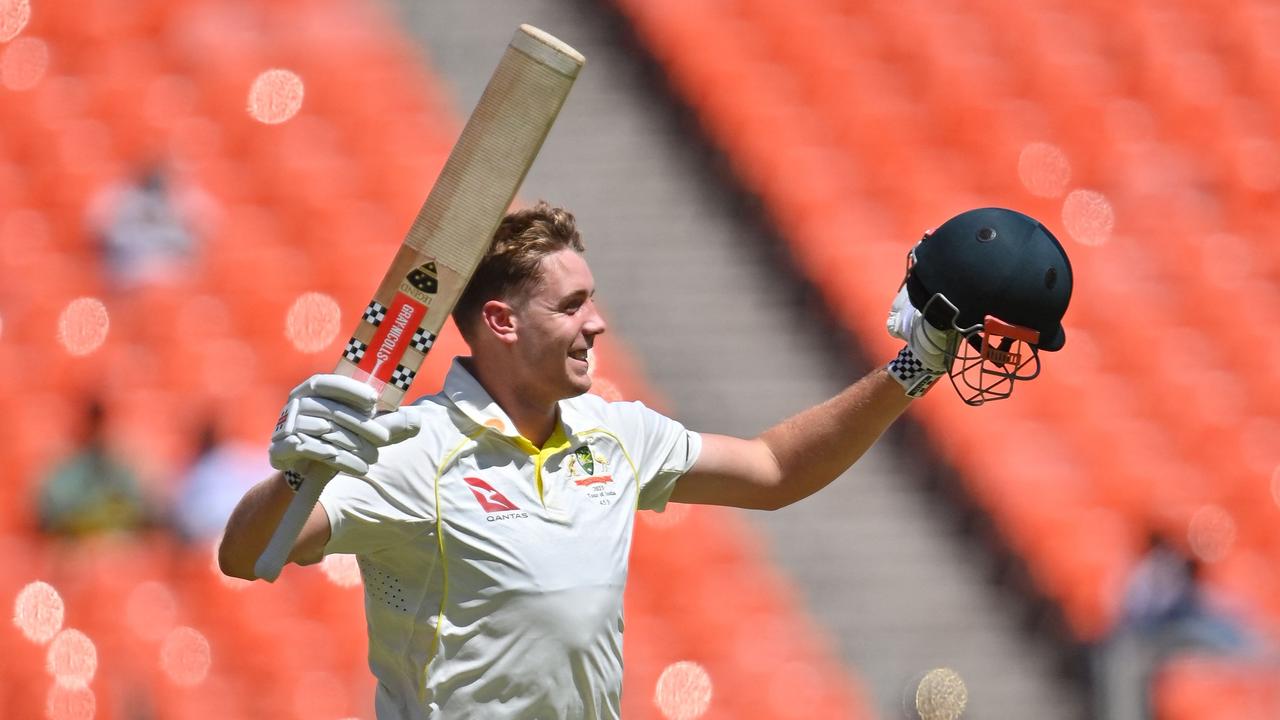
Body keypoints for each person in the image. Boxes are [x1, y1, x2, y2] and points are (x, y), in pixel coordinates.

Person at [219, 203, 1072, 718]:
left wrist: (912, 370)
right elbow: (248, 554)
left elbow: (776, 472)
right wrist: (303, 472)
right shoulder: (413, 452)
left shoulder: (613, 433)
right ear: (503, 323)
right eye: (575, 305)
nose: (597, 324)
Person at [37, 398, 153, 538]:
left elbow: (140, 510)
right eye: (90, 423)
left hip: (117, 546)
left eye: (99, 423)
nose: (96, 431)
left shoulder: (121, 468)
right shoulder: (64, 470)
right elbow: (53, 514)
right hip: (76, 545)